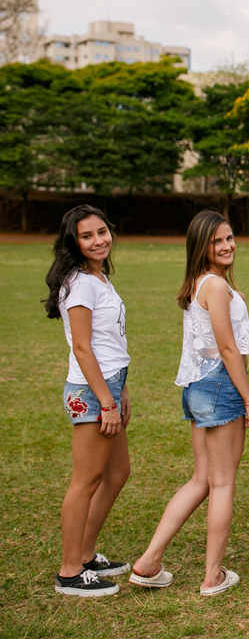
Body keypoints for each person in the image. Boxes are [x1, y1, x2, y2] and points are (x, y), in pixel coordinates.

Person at [128, 211, 249, 595]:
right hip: (220, 386)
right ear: (201, 247)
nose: (227, 245)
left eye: (229, 238)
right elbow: (227, 349)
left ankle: (149, 562)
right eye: (216, 241)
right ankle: (212, 576)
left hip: (198, 386)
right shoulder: (215, 286)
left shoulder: (203, 283)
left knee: (202, 480)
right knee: (221, 483)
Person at [46, 206, 132, 597]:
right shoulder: (80, 284)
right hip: (91, 392)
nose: (98, 240)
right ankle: (69, 572)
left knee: (117, 473)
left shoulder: (98, 277)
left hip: (109, 386)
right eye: (87, 236)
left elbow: (110, 341)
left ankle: (85, 554)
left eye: (102, 231)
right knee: (85, 481)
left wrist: (121, 390)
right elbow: (82, 348)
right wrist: (106, 402)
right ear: (74, 242)